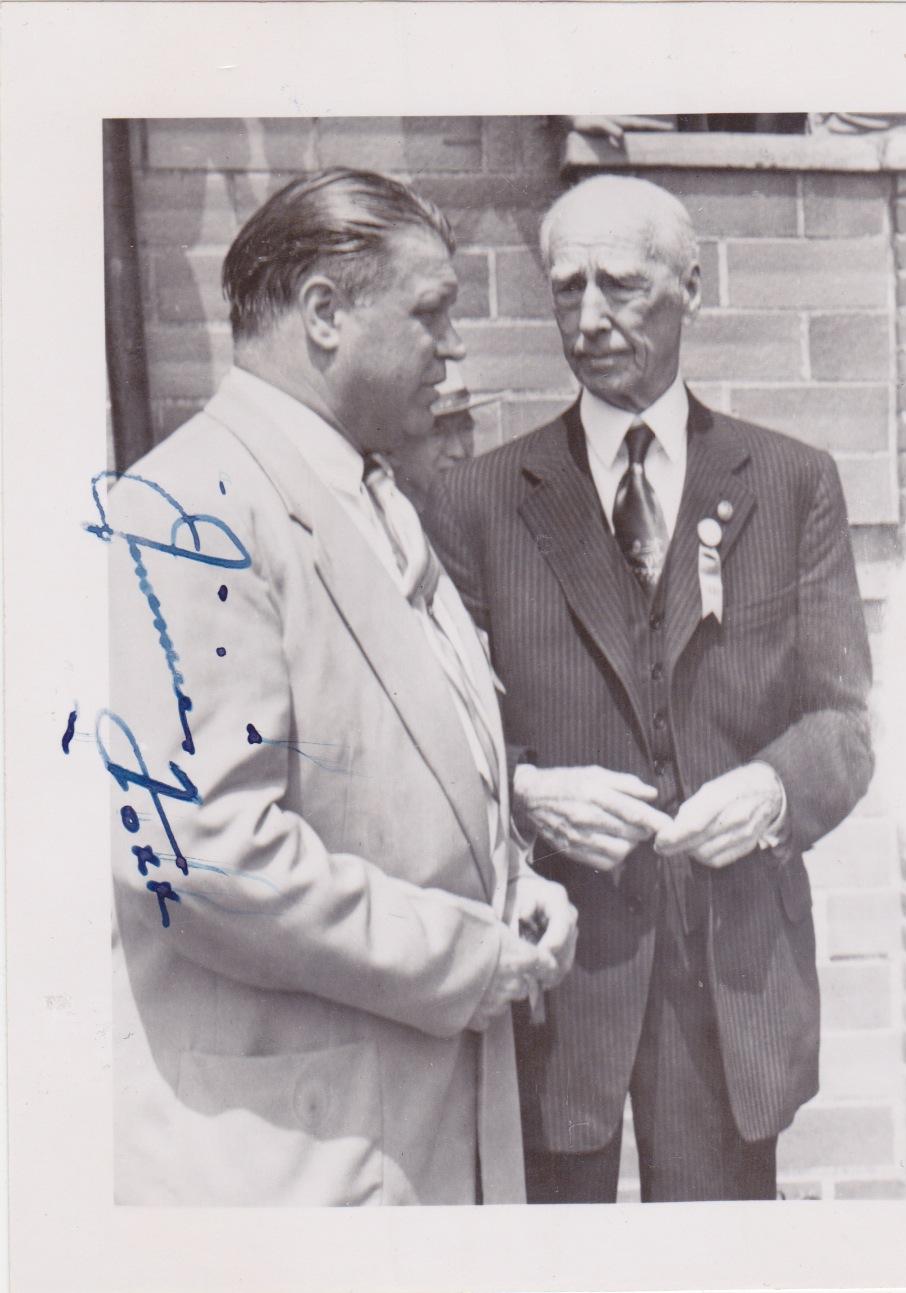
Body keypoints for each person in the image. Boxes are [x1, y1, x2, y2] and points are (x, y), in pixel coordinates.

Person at [102, 167, 576, 1207]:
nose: (454, 348)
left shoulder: (369, 488)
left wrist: (511, 881)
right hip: (307, 1159)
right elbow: (200, 853)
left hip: (415, 1132)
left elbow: (421, 758)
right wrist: (461, 956)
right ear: (324, 313)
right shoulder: (189, 509)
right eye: (430, 313)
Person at [426, 174, 873, 1203]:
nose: (589, 319)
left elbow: (845, 723)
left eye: (621, 286)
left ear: (691, 288)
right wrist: (526, 796)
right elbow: (443, 731)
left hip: (727, 968)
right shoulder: (479, 501)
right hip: (555, 968)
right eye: (566, 288)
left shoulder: (791, 482)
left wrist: (772, 791)